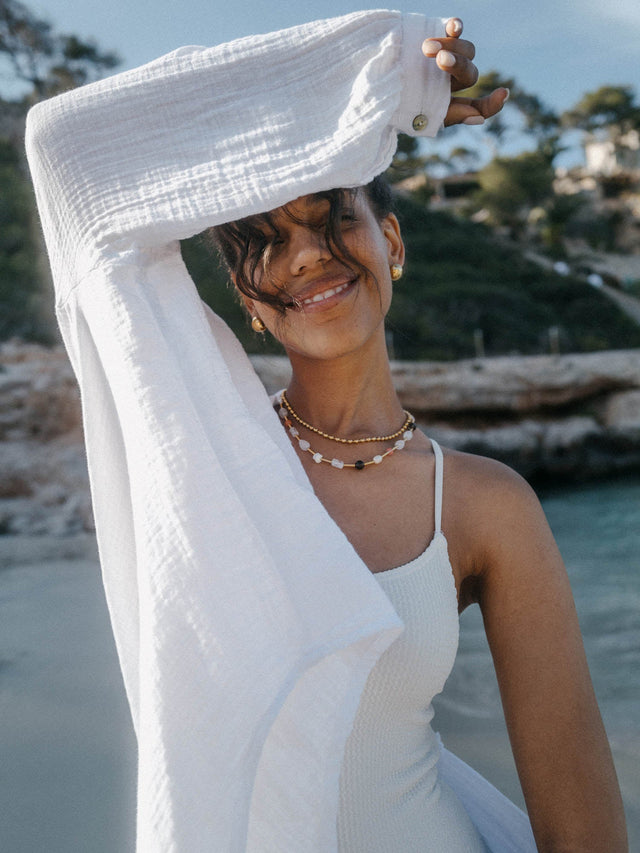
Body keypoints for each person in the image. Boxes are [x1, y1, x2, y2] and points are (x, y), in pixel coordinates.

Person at [25, 10, 627, 853]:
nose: (305, 256)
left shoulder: (486, 505)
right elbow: (62, 146)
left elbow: (583, 827)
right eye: (265, 243)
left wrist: (393, 100)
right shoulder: (211, 464)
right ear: (247, 306)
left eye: (331, 217)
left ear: (391, 239)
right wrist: (385, 74)